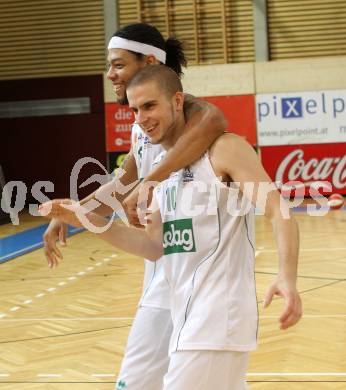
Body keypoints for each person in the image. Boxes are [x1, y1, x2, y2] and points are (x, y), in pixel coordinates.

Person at [41, 65, 302, 389]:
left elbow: (279, 209)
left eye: (150, 106)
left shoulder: (225, 149)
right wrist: (81, 217)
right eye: (135, 109)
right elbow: (153, 247)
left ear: (177, 102)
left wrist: (286, 276)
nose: (141, 117)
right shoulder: (160, 172)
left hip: (217, 318)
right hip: (187, 318)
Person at [43, 23, 227, 390]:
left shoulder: (191, 115)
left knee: (141, 382)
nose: (109, 74)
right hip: (163, 271)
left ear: (149, 61)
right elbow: (123, 181)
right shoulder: (142, 129)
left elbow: (215, 119)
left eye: (117, 64)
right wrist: (72, 212)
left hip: (197, 272)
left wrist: (151, 182)